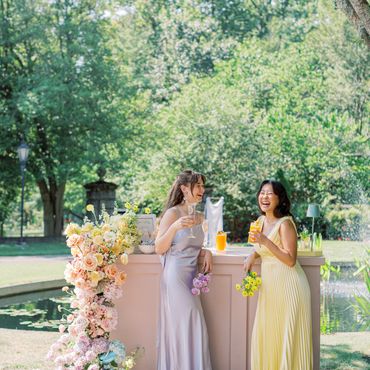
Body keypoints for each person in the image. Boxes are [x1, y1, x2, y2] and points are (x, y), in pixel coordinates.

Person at [244, 179, 313, 370]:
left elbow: (290, 259)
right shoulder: (259, 222)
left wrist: (265, 242)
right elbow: (263, 247)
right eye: (262, 192)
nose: (264, 197)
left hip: (290, 287)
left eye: (270, 193)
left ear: (279, 198)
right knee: (269, 335)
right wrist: (253, 253)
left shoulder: (285, 224)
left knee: (287, 337)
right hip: (270, 289)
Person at [155, 170, 213, 370]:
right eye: (198, 186)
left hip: (192, 279)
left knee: (194, 325)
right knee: (183, 325)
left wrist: (207, 253)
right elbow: (159, 248)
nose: (202, 190)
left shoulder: (199, 216)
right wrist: (174, 228)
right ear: (184, 189)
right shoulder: (173, 214)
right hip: (175, 278)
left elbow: (192, 246)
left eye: (202, 186)